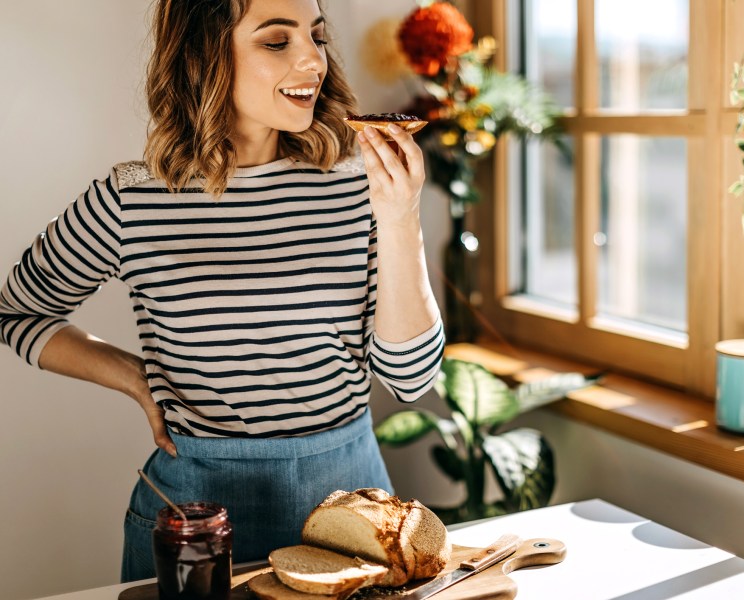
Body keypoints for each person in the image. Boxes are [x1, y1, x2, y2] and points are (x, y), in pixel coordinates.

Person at [0, 0, 443, 582]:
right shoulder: (131, 200)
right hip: (198, 521)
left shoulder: (359, 185)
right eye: (277, 41)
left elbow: (411, 378)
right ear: (205, 54)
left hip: (353, 515)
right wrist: (134, 377)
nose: (315, 60)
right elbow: (16, 312)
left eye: (317, 36)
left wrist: (401, 216)